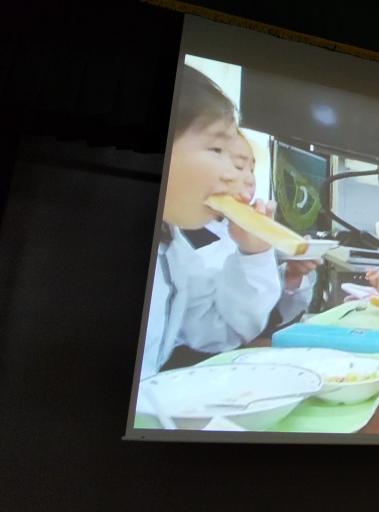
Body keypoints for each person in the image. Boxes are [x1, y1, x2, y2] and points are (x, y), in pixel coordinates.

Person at [140, 65, 281, 379]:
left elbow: (223, 328)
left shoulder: (172, 247)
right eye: (217, 150)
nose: (234, 176)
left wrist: (255, 254)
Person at [191, 130, 319, 326]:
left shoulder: (246, 234)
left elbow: (273, 317)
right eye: (238, 167)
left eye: (251, 170)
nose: (250, 180)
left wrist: (292, 275)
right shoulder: (183, 239)